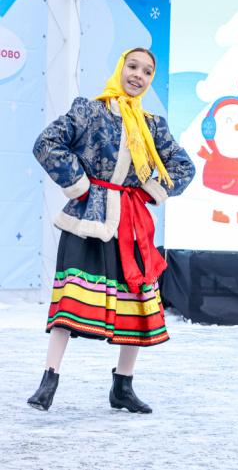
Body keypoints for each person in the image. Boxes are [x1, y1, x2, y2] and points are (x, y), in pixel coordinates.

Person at [27, 48, 195, 412]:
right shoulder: (90, 111)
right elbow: (46, 143)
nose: (138, 75)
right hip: (88, 219)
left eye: (147, 71)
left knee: (135, 303)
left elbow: (184, 167)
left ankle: (123, 386)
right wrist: (80, 185)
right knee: (70, 299)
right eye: (132, 66)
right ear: (120, 68)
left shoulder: (153, 126)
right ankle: (49, 380)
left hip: (130, 225)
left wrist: (148, 191)